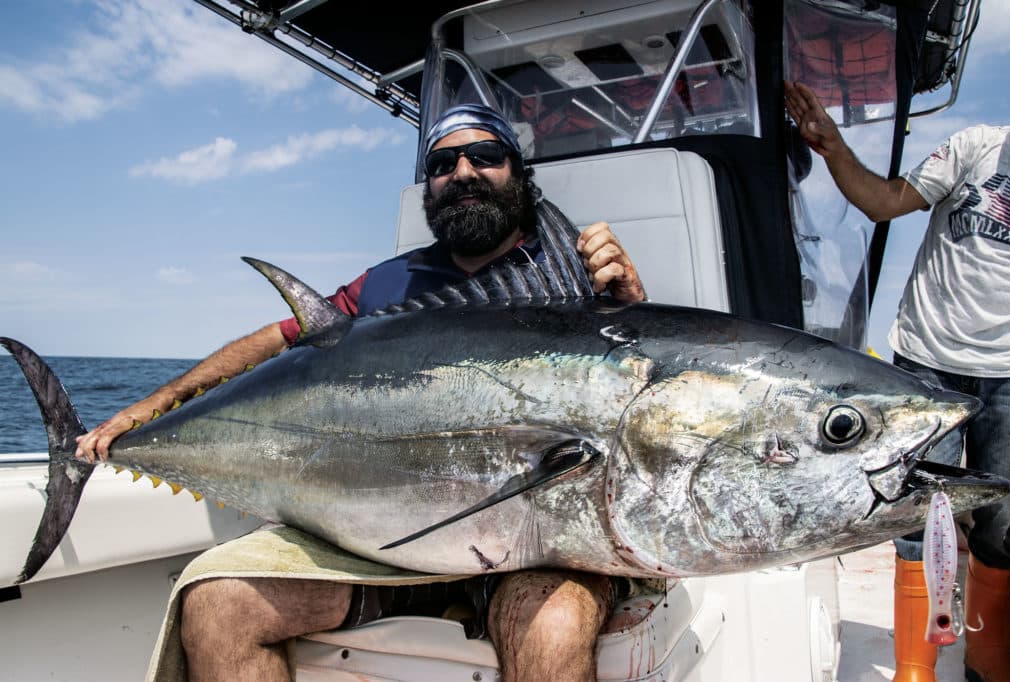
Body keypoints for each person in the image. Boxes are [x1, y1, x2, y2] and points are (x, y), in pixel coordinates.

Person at [75, 103, 647, 682]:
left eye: (487, 155)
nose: (464, 171)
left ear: (519, 171)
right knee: (220, 605)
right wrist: (150, 407)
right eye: (443, 163)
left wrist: (631, 307)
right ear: (428, 187)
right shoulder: (387, 285)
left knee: (552, 628)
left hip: (537, 551)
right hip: (384, 552)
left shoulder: (578, 273)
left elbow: (632, 397)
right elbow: (281, 338)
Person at [785, 80, 1010, 682]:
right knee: (914, 514)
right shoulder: (977, 148)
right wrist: (833, 147)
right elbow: (884, 202)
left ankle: (987, 654)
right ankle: (915, 662)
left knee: (1003, 524)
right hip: (928, 362)